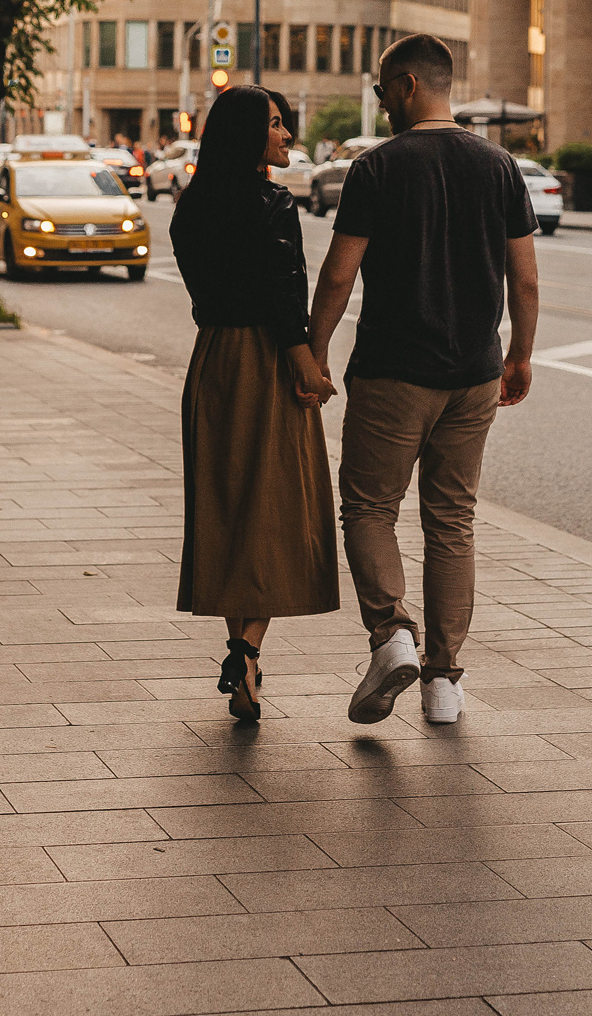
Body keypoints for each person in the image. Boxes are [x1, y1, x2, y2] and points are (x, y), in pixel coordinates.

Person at [308, 34, 539, 728]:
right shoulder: (498, 165)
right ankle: (444, 682)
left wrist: (313, 352)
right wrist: (519, 353)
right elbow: (522, 275)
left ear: (407, 85)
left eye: (382, 93)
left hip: (391, 372)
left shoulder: (376, 167)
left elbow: (339, 273)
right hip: (473, 372)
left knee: (370, 508)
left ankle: (391, 634)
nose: (381, 106)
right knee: (451, 521)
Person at [170, 85, 338, 723]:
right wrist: (305, 362)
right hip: (265, 362)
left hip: (212, 361)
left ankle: (243, 656)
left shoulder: (190, 206)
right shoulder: (272, 203)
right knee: (271, 509)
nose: (287, 136)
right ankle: (246, 648)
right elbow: (280, 292)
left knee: (227, 506)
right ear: (246, 135)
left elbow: (204, 288)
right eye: (274, 125)